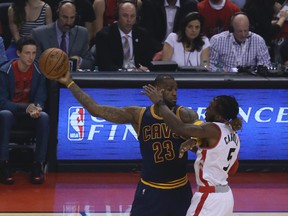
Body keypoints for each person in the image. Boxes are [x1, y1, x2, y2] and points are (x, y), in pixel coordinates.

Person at [54, 68, 199, 215]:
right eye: (169, 89)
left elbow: (204, 137)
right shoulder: (139, 115)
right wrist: (70, 83)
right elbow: (96, 110)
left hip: (179, 188)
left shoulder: (185, 114)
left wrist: (193, 142)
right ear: (157, 91)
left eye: (176, 89)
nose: (174, 93)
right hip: (150, 189)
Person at [143, 85, 242, 216]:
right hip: (225, 197)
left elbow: (179, 127)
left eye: (210, 107)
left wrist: (160, 103)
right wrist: (195, 144)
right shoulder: (234, 134)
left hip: (209, 197)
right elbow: (231, 168)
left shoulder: (212, 128)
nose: (206, 109)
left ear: (218, 116)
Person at [0, 36, 49, 185]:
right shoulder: (4, 71)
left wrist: (37, 108)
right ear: (18, 53)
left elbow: (41, 98)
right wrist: (25, 108)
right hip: (12, 113)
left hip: (29, 115)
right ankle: (3, 164)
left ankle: (37, 165)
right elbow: (2, 102)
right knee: (4, 115)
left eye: (34, 53)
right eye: (27, 53)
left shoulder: (39, 73)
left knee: (44, 117)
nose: (31, 57)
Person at [95, 1, 162, 71]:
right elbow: (105, 65)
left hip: (139, 77)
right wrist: (129, 71)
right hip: (115, 77)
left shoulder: (143, 34)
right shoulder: (104, 36)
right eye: (125, 16)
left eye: (132, 16)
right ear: (117, 16)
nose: (129, 20)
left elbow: (147, 61)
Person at [31, 0, 94, 70]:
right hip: (48, 78)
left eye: (72, 18)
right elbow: (34, 61)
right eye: (65, 17)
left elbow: (90, 63)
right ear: (57, 15)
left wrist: (79, 60)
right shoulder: (39, 34)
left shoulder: (82, 33)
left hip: (74, 78)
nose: (68, 22)